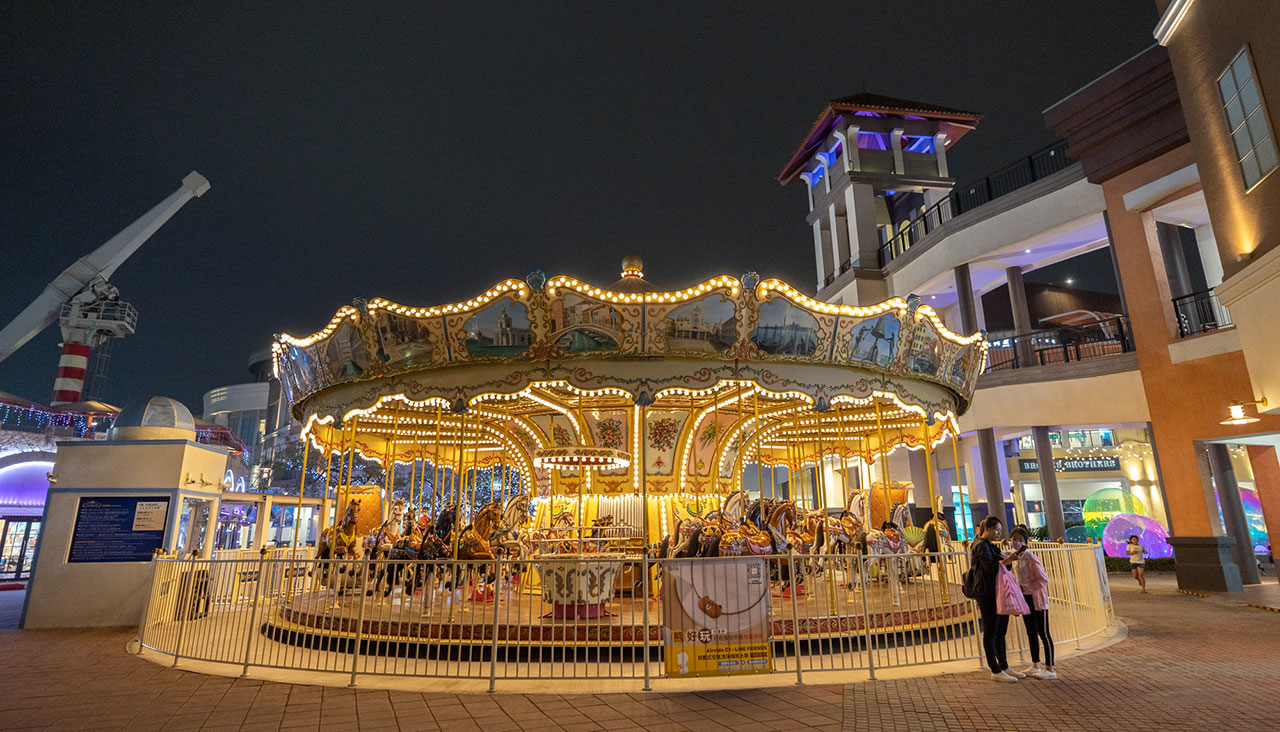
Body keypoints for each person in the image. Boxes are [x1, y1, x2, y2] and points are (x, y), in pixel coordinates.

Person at [971, 515, 1021, 682]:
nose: (999, 533)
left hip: (997, 591)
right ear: (988, 529)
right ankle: (995, 669)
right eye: (997, 530)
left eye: (1000, 530)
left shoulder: (990, 546)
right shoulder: (980, 545)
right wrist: (1008, 559)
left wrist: (1007, 558)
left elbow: (999, 564)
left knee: (1000, 631)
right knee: (991, 631)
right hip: (987, 592)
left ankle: (1004, 665)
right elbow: (990, 568)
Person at [1009, 527, 1057, 680]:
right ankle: (1035, 663)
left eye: (1019, 540)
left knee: (1043, 632)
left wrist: (1026, 587)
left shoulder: (1031, 558)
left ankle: (1050, 667)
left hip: (1037, 599)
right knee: (1031, 631)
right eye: (1013, 539)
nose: (1015, 542)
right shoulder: (1018, 558)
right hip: (1026, 599)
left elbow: (1043, 579)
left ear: (1025, 542)